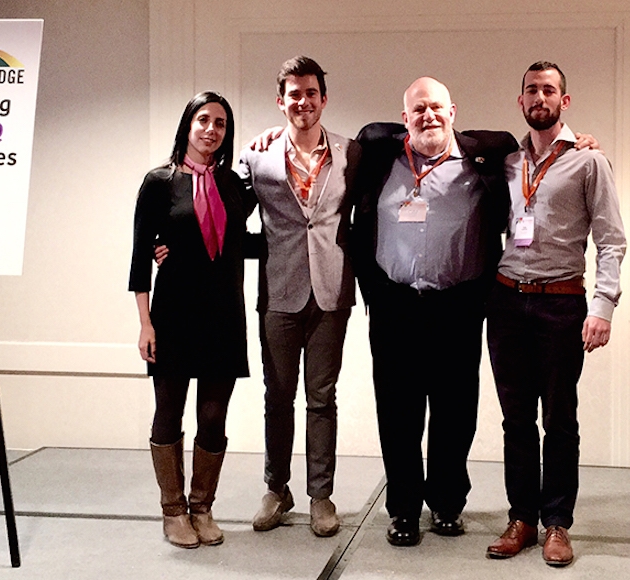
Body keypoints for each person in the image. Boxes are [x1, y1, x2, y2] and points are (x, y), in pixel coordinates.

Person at [350, 77, 519, 547]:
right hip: (395, 306)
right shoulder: (379, 155)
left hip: (458, 305)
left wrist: (579, 139)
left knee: (455, 410)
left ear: (454, 111)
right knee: (398, 412)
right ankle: (403, 510)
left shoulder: (482, 158)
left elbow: (527, 146)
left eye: (437, 108)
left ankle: (447, 503)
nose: (429, 116)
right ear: (404, 118)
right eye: (418, 109)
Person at [484, 61, 626, 567]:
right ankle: (521, 517)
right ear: (520, 101)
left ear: (564, 102)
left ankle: (557, 524)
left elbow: (611, 240)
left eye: (549, 89)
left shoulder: (590, 163)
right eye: (531, 90)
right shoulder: (504, 160)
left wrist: (603, 306)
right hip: (505, 302)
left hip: (562, 303)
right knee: (515, 418)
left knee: (559, 419)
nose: (539, 97)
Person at [237, 56, 360, 537]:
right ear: (280, 100)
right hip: (279, 292)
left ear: (323, 99)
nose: (303, 102)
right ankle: (277, 487)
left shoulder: (352, 152)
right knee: (278, 397)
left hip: (331, 293)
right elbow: (223, 217)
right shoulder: (257, 157)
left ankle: (320, 496)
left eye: (311, 93)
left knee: (322, 398)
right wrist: (172, 246)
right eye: (294, 94)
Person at [129, 91, 252, 549]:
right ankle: (173, 511)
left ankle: (202, 507)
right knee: (169, 410)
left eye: (220, 123)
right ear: (188, 124)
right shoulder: (159, 182)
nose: (211, 130)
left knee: (214, 415)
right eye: (204, 120)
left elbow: (241, 241)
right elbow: (141, 258)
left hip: (223, 315)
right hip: (174, 314)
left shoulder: (234, 186)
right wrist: (145, 324)